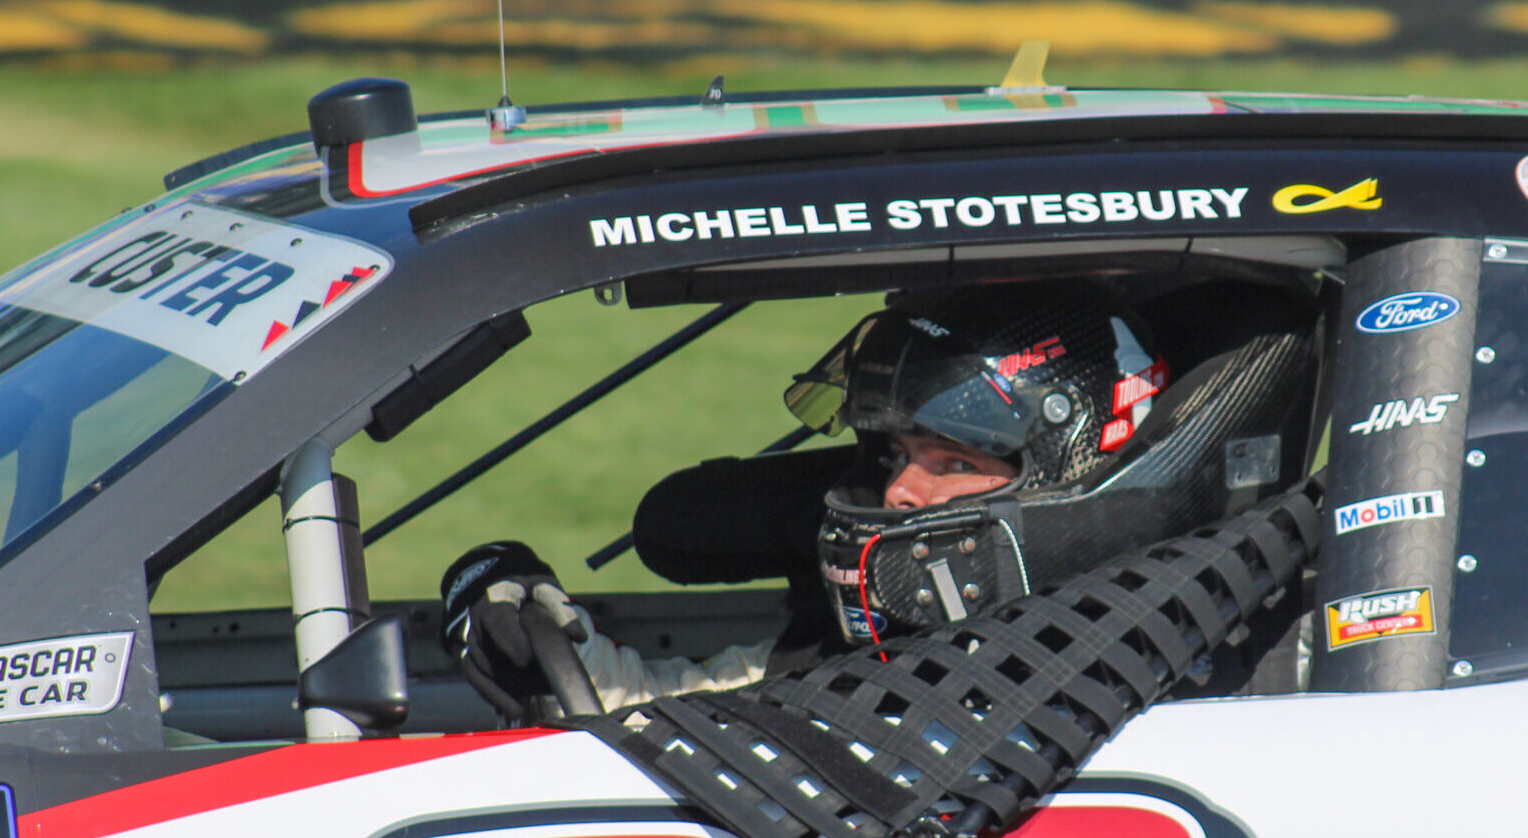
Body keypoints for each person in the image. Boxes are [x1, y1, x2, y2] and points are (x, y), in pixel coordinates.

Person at [444, 278, 1310, 717]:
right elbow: (674, 714)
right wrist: (538, 638)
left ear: (1073, 472)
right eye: (896, 454)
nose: (901, 492)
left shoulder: (1219, 677)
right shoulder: (875, 648)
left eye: (953, 461)